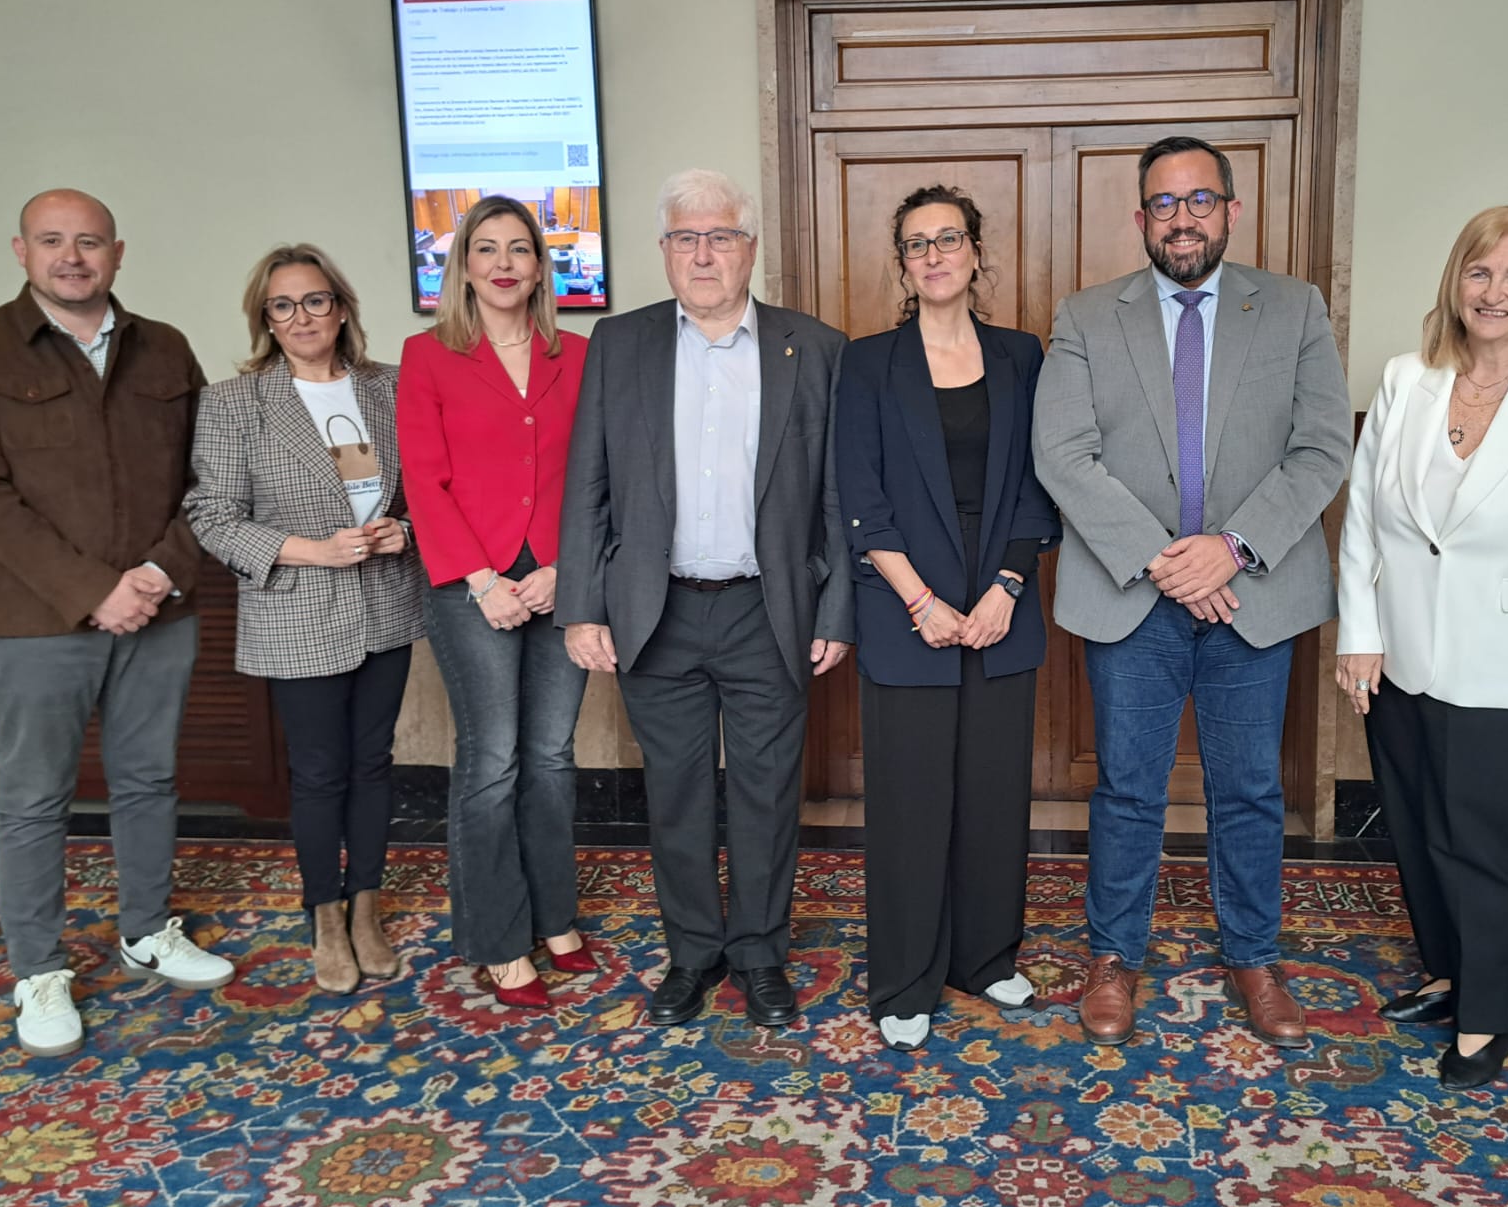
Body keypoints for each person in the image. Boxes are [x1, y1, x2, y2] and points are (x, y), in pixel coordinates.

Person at [1033, 136, 1351, 1049]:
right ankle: (1112, 958)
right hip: (1131, 597)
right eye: (1164, 204)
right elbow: (1062, 453)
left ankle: (1253, 956)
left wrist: (1231, 549)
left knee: (1248, 788)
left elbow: (1322, 447)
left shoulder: (1293, 309)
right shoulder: (1088, 316)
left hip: (1254, 597)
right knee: (1128, 789)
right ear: (1140, 219)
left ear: (1231, 211)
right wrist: (1170, 559)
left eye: (1201, 200)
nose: (1183, 218)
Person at [0, 189, 234, 1057]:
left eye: (89, 242)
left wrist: (156, 574)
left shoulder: (165, 348)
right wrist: (95, 589)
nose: (73, 256)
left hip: (157, 612)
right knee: (33, 799)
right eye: (53, 241)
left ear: (118, 252)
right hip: (35, 623)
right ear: (20, 250)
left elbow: (206, 480)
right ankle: (39, 969)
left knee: (147, 781)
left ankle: (147, 931)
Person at [559, 169, 852, 1029]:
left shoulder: (815, 347)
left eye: (721, 236)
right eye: (686, 238)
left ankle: (759, 953)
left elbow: (839, 496)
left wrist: (836, 613)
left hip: (771, 613)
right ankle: (692, 953)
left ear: (750, 249)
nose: (704, 254)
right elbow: (589, 483)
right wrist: (583, 605)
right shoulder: (620, 344)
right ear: (664, 253)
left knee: (767, 792)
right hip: (658, 610)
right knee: (677, 793)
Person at [1335, 206, 1508, 1088]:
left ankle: (1487, 1018)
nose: (1494, 293)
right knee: (1414, 827)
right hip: (1401, 652)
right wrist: (1360, 634)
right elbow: (1365, 523)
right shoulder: (1406, 376)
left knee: (1485, 842)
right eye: (1479, 273)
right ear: (1455, 283)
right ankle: (1448, 972)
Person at [834, 186, 1061, 1051]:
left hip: (1001, 603)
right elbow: (860, 495)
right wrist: (923, 601)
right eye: (917, 244)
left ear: (975, 252)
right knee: (912, 801)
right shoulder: (868, 362)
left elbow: (1043, 482)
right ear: (902, 264)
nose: (934, 255)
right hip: (905, 608)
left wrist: (1005, 586)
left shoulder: (1021, 356)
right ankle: (904, 978)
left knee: (996, 794)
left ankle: (985, 957)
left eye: (949, 239)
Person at [185, 244, 426, 994]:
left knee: (373, 763)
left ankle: (366, 908)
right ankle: (323, 912)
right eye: (282, 305)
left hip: (385, 602)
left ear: (342, 307)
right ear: (266, 319)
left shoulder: (391, 387)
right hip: (297, 609)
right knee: (320, 772)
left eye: (315, 300)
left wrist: (405, 530)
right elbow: (211, 515)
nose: (301, 317)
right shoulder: (234, 402)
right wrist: (310, 551)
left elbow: (429, 487)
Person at [398, 196, 593, 1008]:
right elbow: (424, 479)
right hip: (467, 584)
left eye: (520, 249)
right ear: (464, 266)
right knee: (494, 756)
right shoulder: (427, 355)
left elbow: (596, 475)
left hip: (557, 578)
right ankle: (498, 939)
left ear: (541, 266)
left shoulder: (578, 356)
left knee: (551, 756)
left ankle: (555, 919)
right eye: (488, 249)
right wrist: (481, 580)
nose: (505, 263)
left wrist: (560, 567)